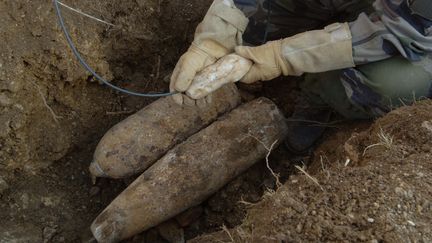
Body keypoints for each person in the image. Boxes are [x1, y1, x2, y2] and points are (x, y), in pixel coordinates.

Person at [170, 0, 432, 154]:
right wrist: (215, 37)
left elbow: (400, 32)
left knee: (400, 84)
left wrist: (281, 57)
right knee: (248, 26)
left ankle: (320, 92)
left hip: (408, 26)